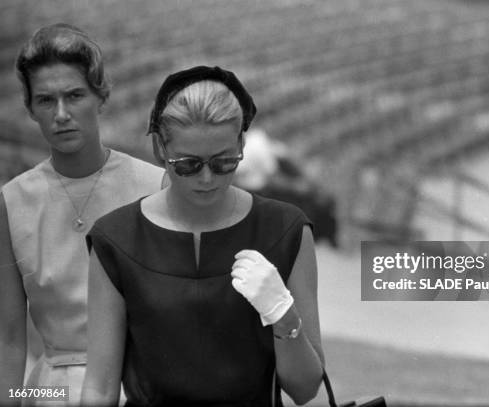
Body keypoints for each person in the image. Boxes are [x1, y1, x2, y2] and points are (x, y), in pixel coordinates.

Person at [82, 65, 324, 406]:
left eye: (224, 161)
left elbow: (305, 389)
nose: (207, 178)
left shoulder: (287, 230)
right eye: (188, 164)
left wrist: (282, 314)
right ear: (160, 149)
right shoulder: (116, 238)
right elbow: (99, 387)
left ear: (242, 142)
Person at [0, 23, 165, 405]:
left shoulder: (154, 187)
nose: (61, 114)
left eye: (74, 95)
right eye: (45, 100)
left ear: (100, 97)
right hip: (52, 390)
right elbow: (8, 337)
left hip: (138, 387)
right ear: (29, 108)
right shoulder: (12, 200)